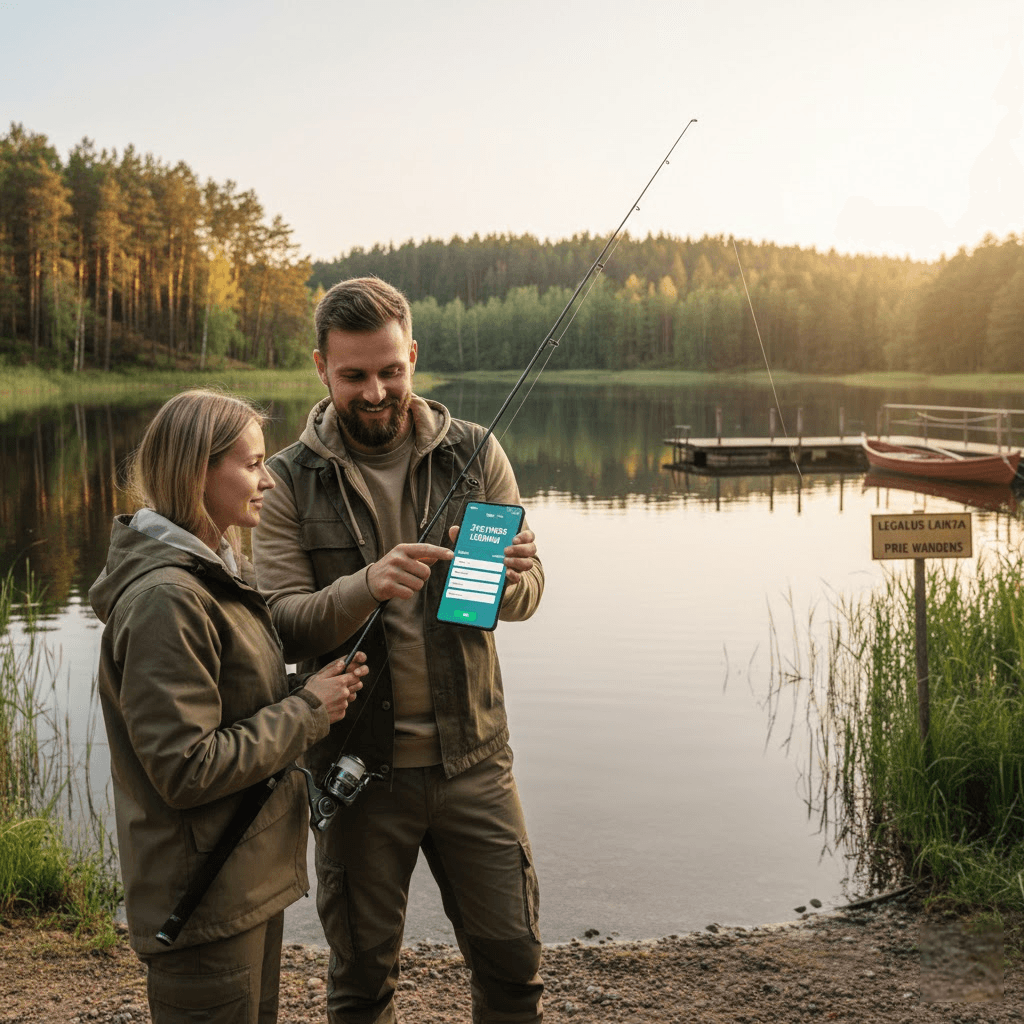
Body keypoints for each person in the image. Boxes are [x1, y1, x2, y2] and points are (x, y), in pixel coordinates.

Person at [252, 276, 545, 1023]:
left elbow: (526, 596)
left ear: (412, 356)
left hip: (475, 759)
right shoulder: (285, 481)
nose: (376, 391)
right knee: (360, 984)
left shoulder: (477, 452)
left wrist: (509, 577)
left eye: (390, 370)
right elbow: (282, 622)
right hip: (355, 769)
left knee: (514, 965)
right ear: (322, 368)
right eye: (354, 375)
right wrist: (367, 586)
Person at [89, 388, 369, 1024]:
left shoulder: (211, 569)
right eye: (251, 464)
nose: (269, 479)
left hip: (236, 884)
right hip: (203, 897)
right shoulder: (168, 598)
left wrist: (367, 586)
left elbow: (264, 647)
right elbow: (185, 769)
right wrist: (309, 709)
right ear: (196, 472)